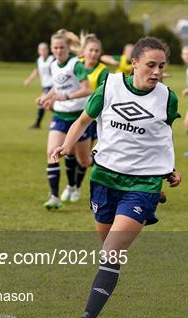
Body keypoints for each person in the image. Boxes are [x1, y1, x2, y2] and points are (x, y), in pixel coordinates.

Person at [49, 37, 181, 318]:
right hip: (105, 179)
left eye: (162, 66)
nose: (157, 72)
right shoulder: (109, 86)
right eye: (150, 65)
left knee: (111, 253)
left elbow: (163, 138)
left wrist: (167, 170)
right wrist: (67, 146)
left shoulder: (167, 98)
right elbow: (83, 120)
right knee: (106, 246)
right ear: (133, 63)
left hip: (143, 184)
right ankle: (147, 210)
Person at [38, 29, 92, 209]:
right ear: (52, 49)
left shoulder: (75, 64)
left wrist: (67, 97)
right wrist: (46, 97)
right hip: (60, 115)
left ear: (68, 48)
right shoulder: (53, 65)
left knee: (83, 160)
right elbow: (56, 87)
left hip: (79, 118)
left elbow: (87, 89)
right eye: (55, 48)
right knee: (51, 152)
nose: (59, 51)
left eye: (62, 47)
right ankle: (54, 196)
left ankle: (74, 186)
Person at [74, 33, 110, 200]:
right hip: (72, 114)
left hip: (92, 118)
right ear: (84, 51)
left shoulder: (103, 71)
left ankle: (76, 187)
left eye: (97, 51)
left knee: (83, 157)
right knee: (71, 153)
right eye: (91, 50)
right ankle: (71, 186)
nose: (94, 54)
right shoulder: (76, 65)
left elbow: (104, 94)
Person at [23, 42, 55, 129]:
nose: (43, 51)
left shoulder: (52, 59)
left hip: (52, 86)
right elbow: (36, 71)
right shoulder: (39, 60)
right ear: (38, 51)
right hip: (45, 86)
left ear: (48, 50)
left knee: (43, 103)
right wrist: (29, 80)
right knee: (49, 105)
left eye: (44, 49)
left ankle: (37, 124)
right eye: (41, 50)